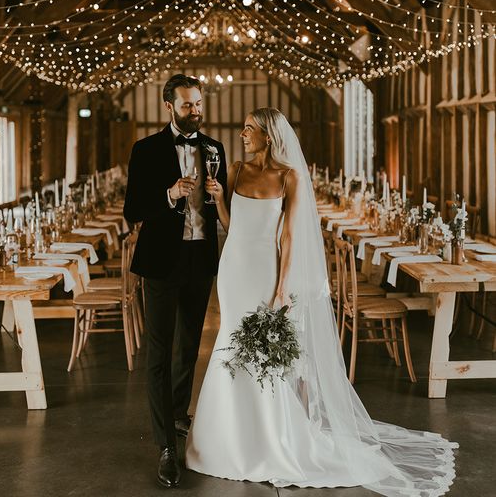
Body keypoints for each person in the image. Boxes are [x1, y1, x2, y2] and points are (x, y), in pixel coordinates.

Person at [186, 107, 457, 496]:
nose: (242, 134)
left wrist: (281, 288)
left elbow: (290, 237)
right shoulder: (236, 172)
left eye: (249, 129)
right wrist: (218, 202)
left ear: (268, 135)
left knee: (263, 353)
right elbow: (233, 227)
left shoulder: (290, 177)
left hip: (266, 270)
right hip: (232, 270)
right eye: (244, 128)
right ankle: (224, 438)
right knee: (230, 341)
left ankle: (270, 437)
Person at [123, 74, 227, 488]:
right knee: (159, 352)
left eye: (199, 103)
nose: (196, 111)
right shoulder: (145, 150)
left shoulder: (214, 148)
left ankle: (179, 416)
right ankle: (166, 445)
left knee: (189, 347)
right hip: (161, 262)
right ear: (169, 106)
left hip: (201, 259)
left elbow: (226, 210)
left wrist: (221, 197)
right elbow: (133, 209)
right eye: (188, 105)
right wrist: (168, 195)